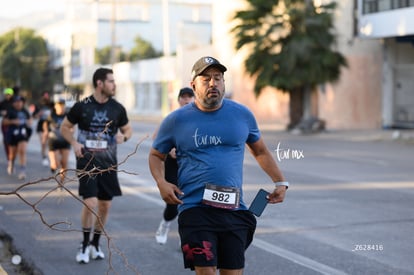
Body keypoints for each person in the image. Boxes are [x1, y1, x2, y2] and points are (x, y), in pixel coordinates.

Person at [148, 56, 288, 274]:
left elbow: (260, 150)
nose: (213, 83)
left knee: (232, 272)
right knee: (205, 270)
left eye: (218, 78)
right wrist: (161, 182)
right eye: (206, 79)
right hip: (194, 209)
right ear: (194, 85)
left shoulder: (242, 115)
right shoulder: (176, 120)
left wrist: (280, 181)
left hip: (233, 209)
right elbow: (156, 155)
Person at [60, 68, 133, 264]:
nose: (114, 85)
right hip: (87, 162)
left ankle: (95, 243)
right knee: (90, 202)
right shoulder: (82, 106)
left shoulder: (117, 108)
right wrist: (75, 143)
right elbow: (65, 127)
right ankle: (84, 245)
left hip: (108, 164)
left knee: (105, 205)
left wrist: (123, 136)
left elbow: (128, 129)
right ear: (100, 83)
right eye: (111, 81)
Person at [155, 87, 195, 245]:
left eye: (189, 97)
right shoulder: (172, 118)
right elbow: (157, 140)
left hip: (190, 165)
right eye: (183, 97)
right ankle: (165, 224)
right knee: (173, 202)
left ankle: (187, 237)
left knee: (191, 202)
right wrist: (170, 149)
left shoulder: (198, 118)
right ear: (178, 100)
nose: (186, 100)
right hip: (172, 165)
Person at [3, 95, 33, 179]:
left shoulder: (25, 111)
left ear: (22, 103)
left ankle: (22, 171)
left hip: (23, 134)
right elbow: (4, 122)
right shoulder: (10, 111)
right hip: (12, 134)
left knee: (22, 151)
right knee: (13, 154)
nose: (19, 104)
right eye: (17, 102)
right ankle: (11, 163)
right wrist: (13, 121)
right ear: (14, 103)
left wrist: (28, 122)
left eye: (20, 102)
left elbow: (30, 119)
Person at [43, 97, 71, 183]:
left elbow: (72, 126)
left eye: (62, 105)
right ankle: (53, 166)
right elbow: (45, 124)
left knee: (64, 163)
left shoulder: (67, 115)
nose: (61, 107)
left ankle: (61, 183)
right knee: (56, 164)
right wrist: (46, 131)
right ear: (55, 106)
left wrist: (71, 131)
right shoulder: (52, 115)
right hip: (53, 140)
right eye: (59, 105)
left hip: (65, 140)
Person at [33, 91, 53, 166]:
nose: (46, 97)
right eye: (44, 96)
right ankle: (44, 157)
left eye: (47, 96)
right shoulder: (38, 106)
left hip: (50, 126)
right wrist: (39, 114)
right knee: (43, 143)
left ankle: (50, 157)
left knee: (49, 143)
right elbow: (34, 116)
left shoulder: (51, 105)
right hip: (41, 126)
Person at [0, 88, 14, 161]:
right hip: (5, 124)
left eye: (9, 94)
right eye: (6, 94)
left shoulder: (14, 103)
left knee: (14, 140)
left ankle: (12, 156)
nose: (8, 96)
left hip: (13, 124)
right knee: (6, 140)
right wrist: (2, 113)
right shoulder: (2, 103)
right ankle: (9, 157)